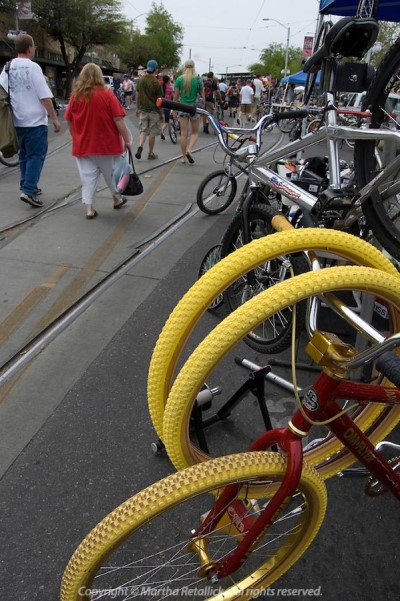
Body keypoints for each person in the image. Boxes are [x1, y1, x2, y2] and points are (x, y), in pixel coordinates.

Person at [64, 63, 132, 219]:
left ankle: (89, 209)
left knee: (87, 178)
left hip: (83, 145)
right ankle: (117, 199)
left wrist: (75, 136)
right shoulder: (107, 94)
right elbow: (118, 119)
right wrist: (127, 139)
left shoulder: (76, 96)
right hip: (106, 144)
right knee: (112, 175)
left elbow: (69, 120)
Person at [0, 33, 61, 208]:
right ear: (29, 48)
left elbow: (2, 92)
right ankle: (28, 190)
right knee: (37, 155)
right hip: (35, 121)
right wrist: (55, 118)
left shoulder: (7, 67)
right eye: (33, 47)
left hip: (16, 121)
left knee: (24, 155)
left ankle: (25, 184)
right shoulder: (33, 68)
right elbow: (45, 96)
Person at [173, 59, 204, 164]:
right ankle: (189, 150)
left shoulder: (179, 79)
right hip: (194, 109)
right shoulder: (198, 80)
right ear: (194, 66)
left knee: (183, 134)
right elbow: (202, 96)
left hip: (182, 107)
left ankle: (183, 157)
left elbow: (175, 98)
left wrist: (174, 110)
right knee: (195, 132)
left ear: (185, 67)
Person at [134, 59, 163, 160]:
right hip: (154, 111)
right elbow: (160, 100)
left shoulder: (140, 80)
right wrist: (162, 113)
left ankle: (140, 145)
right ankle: (150, 153)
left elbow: (137, 94)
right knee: (152, 133)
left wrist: (137, 108)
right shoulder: (156, 83)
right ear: (155, 69)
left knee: (143, 130)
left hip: (143, 110)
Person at [160, 74, 174, 140]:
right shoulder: (169, 87)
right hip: (168, 105)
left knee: (164, 119)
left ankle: (162, 129)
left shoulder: (161, 87)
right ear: (168, 80)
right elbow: (173, 96)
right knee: (167, 121)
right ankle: (162, 131)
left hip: (161, 104)